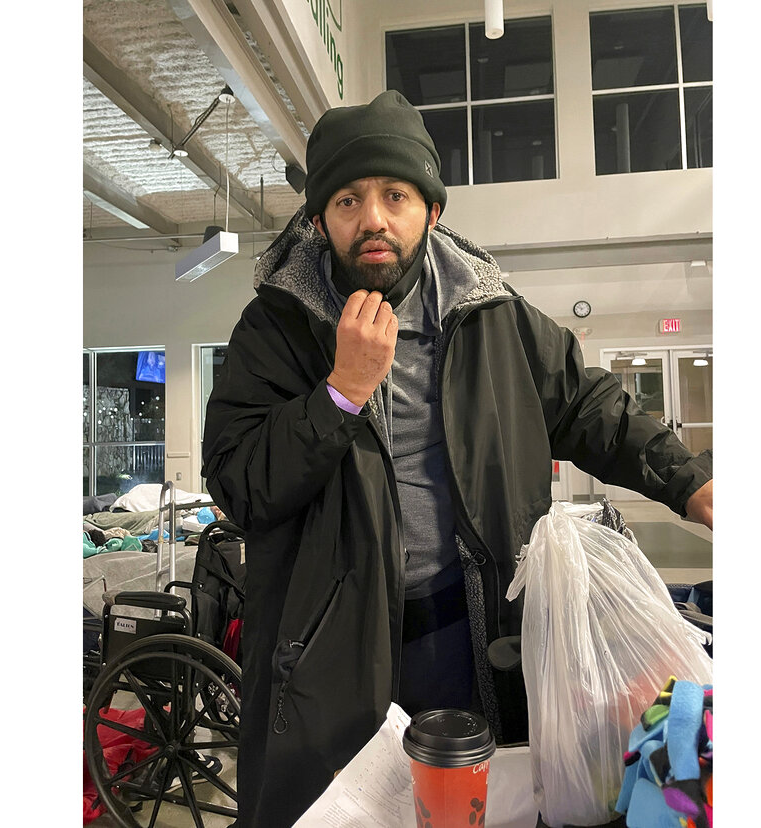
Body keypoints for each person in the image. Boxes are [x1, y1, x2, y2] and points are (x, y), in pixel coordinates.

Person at [201, 89, 713, 828]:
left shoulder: (491, 313)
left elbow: (588, 404)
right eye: (347, 199)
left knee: (484, 809)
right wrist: (340, 393)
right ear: (319, 219)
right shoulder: (277, 330)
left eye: (395, 194)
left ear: (431, 211)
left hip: (478, 633)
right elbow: (241, 484)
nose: (372, 217)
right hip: (333, 657)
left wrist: (691, 483)